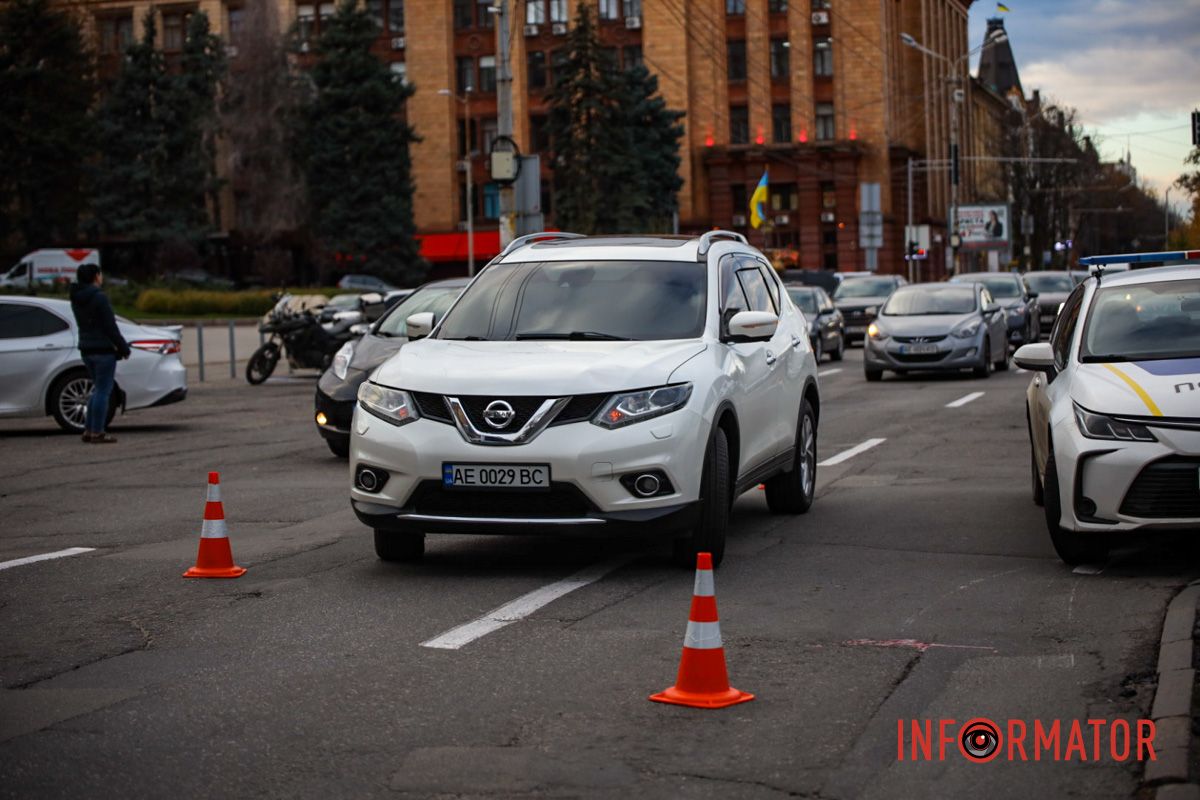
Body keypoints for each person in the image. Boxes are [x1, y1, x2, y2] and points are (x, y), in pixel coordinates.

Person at [69, 264, 130, 443]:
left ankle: (89, 430)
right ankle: (97, 431)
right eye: (100, 274)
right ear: (96, 276)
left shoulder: (76, 297)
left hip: (86, 348)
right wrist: (123, 348)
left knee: (97, 390)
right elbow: (110, 327)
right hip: (103, 350)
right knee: (103, 391)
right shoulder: (99, 298)